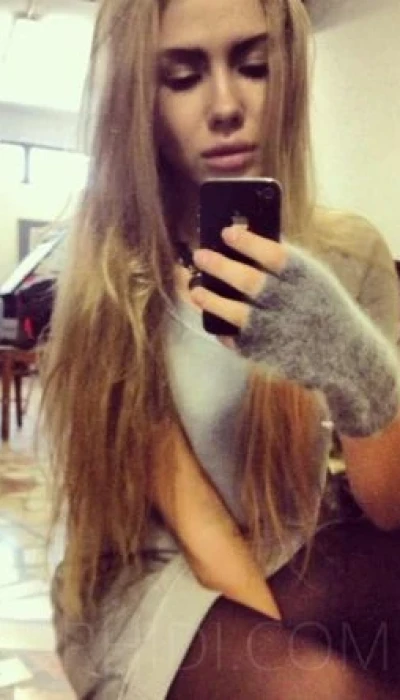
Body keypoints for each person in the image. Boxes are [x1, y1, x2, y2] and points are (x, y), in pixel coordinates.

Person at [41, 0, 400, 698]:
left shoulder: (350, 253)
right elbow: (200, 523)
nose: (227, 105)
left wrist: (356, 369)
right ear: (139, 100)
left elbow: (387, 507)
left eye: (255, 66)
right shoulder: (114, 281)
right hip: (150, 576)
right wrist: (288, 655)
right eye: (182, 77)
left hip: (291, 547)